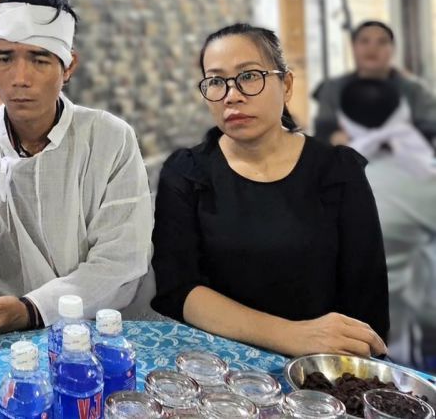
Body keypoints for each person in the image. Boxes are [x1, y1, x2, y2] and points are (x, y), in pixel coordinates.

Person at [0, 0, 154, 339]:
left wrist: (31, 309)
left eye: (40, 59)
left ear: (68, 66)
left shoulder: (109, 140)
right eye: (5, 58)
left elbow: (120, 262)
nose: (20, 77)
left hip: (85, 333)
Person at [151, 23, 390, 358]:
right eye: (216, 81)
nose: (232, 95)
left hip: (322, 366)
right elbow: (179, 288)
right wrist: (290, 335)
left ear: (287, 84)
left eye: (249, 76)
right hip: (218, 364)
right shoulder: (187, 173)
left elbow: (366, 297)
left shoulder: (337, 171)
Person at [338, 77, 436, 370]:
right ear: (401, 112)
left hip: (328, 324)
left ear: (345, 121)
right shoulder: (422, 176)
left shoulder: (327, 173)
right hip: (400, 333)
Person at [314, 20, 436, 145]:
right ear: (353, 47)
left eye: (382, 42)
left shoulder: (415, 89)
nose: (372, 48)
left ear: (393, 49)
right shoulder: (333, 88)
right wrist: (336, 138)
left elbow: (431, 128)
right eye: (364, 41)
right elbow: (323, 131)